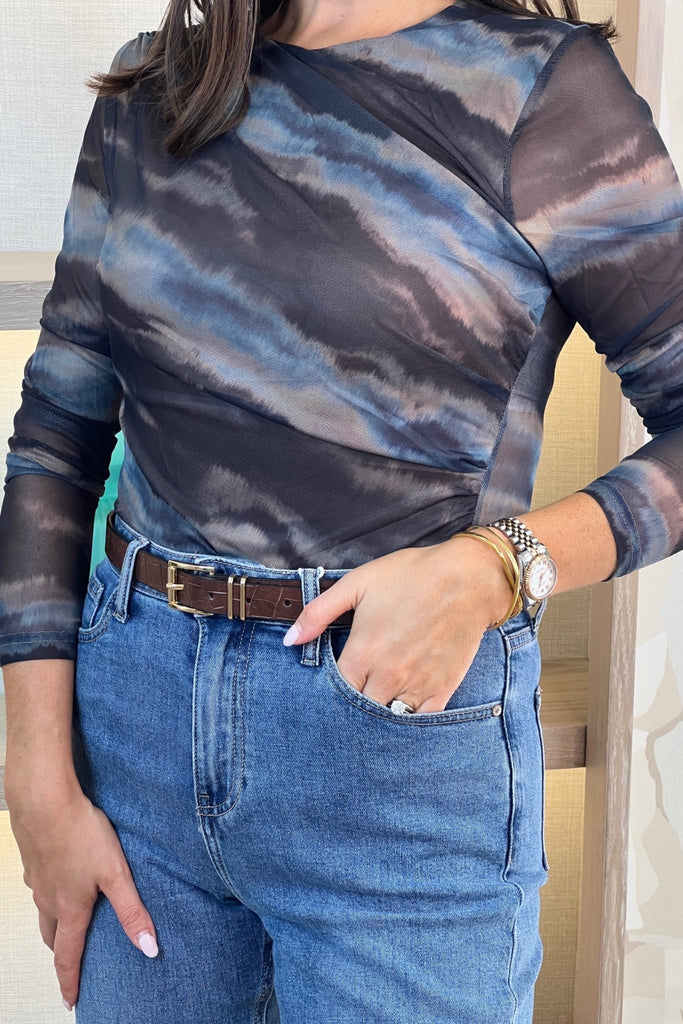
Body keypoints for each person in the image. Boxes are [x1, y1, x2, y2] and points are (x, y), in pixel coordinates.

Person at [1, 0, 681, 1020]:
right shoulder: (158, 87)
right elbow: (55, 440)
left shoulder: (540, 92)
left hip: (394, 747)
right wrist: (35, 773)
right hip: (134, 732)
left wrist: (499, 565)